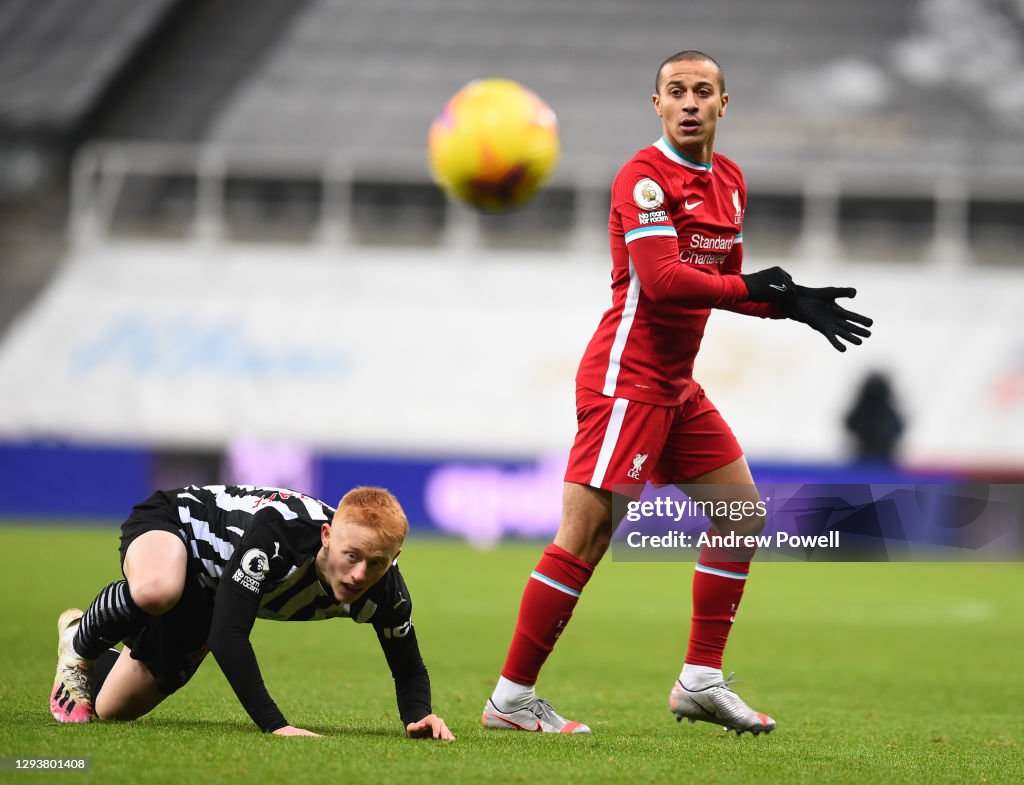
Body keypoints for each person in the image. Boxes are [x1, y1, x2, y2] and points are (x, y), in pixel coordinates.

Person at [481, 50, 872, 736]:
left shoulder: (729, 181)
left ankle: (700, 678)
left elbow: (726, 281)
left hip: (675, 387)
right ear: (656, 105)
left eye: (703, 91)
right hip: (625, 381)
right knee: (586, 535)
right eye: (676, 92)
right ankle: (510, 698)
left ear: (725, 105)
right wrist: (756, 288)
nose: (689, 102)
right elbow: (663, 280)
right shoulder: (644, 178)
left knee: (742, 514)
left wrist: (790, 303)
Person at [50, 484, 454, 740]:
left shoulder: (386, 591)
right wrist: (275, 725)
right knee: (158, 590)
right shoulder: (277, 535)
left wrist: (419, 717)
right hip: (179, 528)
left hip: (209, 596)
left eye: (378, 562)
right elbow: (228, 635)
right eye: (352, 556)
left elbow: (409, 667)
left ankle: (87, 634)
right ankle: (79, 645)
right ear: (327, 536)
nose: (360, 574)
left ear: (394, 557)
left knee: (111, 709)